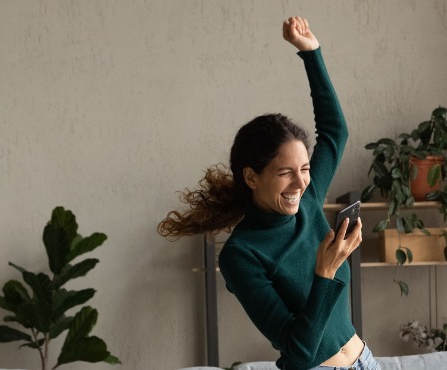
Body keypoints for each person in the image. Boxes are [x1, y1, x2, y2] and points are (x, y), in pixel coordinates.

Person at [158, 16, 376, 370]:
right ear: (252, 177)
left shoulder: (308, 199)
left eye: (304, 170)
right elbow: (299, 352)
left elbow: (335, 132)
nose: (301, 183)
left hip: (366, 360)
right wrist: (324, 273)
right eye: (285, 173)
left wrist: (311, 53)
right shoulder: (241, 255)